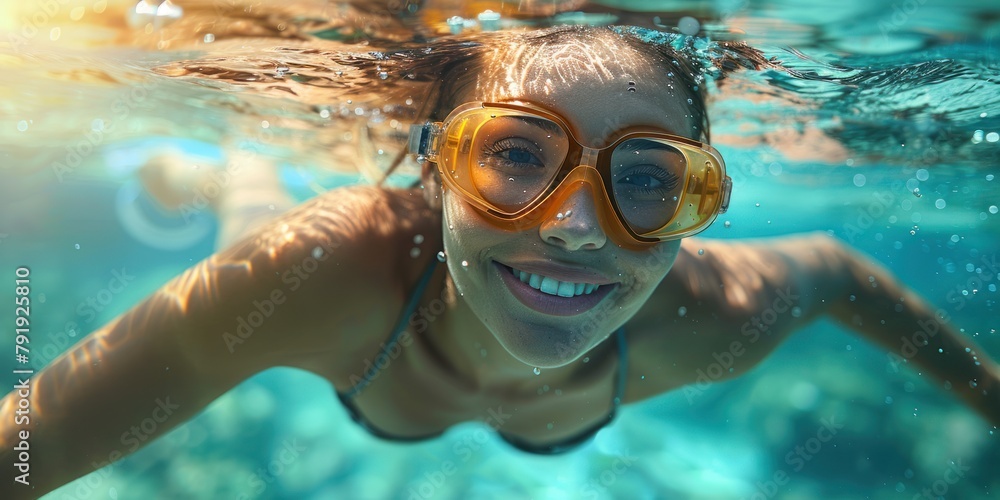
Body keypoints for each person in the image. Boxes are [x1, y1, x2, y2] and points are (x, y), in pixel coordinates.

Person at [2, 24, 997, 499]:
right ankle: (214, 164)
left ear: (698, 203)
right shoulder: (320, 270)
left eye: (650, 178)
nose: (575, 226)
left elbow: (836, 267)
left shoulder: (718, 311)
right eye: (515, 154)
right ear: (436, 165)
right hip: (354, 297)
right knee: (250, 207)